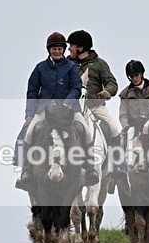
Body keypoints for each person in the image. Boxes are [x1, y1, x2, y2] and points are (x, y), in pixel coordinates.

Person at [15, 32, 100, 191]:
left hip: (69, 109)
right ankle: (26, 170)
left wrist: (67, 104)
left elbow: (76, 87)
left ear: (63, 50)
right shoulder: (40, 67)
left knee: (86, 131)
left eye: (60, 49)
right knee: (28, 132)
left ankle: (90, 169)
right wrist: (29, 113)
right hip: (45, 108)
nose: (57, 52)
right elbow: (32, 90)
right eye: (54, 49)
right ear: (49, 50)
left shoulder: (71, 67)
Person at [66, 29, 125, 178]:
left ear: (80, 48)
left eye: (71, 46)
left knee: (114, 129)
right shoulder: (67, 63)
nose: (68, 49)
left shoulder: (99, 64)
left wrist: (107, 92)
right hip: (71, 107)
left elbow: (112, 83)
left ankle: (117, 165)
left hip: (95, 106)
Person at [118, 60, 149, 175]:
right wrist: (125, 126)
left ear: (142, 74)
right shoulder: (125, 94)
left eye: (136, 75)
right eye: (131, 77)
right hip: (133, 126)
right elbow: (123, 114)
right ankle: (118, 169)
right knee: (120, 140)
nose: (134, 79)